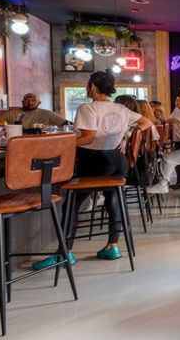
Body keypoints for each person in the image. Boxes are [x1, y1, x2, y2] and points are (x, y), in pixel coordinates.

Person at [32, 71, 152, 268]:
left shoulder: (87, 108)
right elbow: (146, 122)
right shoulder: (121, 108)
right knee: (113, 199)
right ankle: (112, 247)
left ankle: (64, 253)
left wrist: (62, 144)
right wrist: (127, 134)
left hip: (96, 160)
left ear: (93, 87)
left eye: (88, 84)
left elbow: (88, 138)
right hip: (117, 159)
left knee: (72, 203)